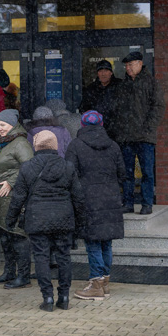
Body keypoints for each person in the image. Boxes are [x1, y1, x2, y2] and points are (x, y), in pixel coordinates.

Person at [7, 130, 84, 312]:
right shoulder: (67, 166)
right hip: (63, 219)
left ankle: (47, 298)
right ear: (55, 146)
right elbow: (78, 197)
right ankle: (64, 297)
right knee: (64, 257)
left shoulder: (27, 167)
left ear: (36, 145)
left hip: (37, 218)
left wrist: (10, 219)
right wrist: (80, 222)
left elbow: (18, 197)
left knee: (41, 257)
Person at [66, 110, 125, 301]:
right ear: (101, 124)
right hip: (111, 198)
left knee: (92, 242)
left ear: (82, 125)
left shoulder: (76, 145)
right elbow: (122, 174)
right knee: (106, 242)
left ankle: (96, 284)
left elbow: (70, 174)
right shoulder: (113, 146)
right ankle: (104, 283)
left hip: (88, 199)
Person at [0, 109, 34, 289]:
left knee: (17, 236)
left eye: (3, 125)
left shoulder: (20, 143)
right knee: (5, 236)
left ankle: (23, 275)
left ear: (12, 124)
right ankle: (9, 272)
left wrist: (12, 182)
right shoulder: (3, 143)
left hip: (12, 199)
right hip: (0, 201)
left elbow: (29, 167)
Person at [113, 51, 164, 215]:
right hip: (126, 137)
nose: (128, 68)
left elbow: (158, 108)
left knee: (147, 172)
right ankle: (128, 202)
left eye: (131, 65)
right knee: (126, 173)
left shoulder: (151, 83)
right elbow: (117, 110)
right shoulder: (123, 85)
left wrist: (148, 128)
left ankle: (147, 203)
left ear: (140, 64)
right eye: (126, 66)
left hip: (145, 137)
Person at [79, 59, 122, 139]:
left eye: (106, 70)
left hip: (116, 131)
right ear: (97, 73)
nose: (103, 74)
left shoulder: (119, 86)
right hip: (96, 131)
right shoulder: (91, 88)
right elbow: (84, 108)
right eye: (100, 71)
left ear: (111, 72)